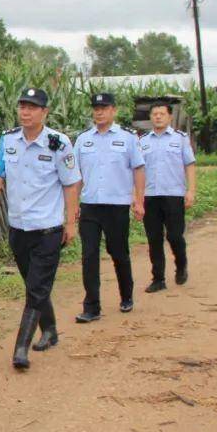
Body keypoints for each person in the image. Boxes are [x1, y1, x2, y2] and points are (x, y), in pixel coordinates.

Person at [0, 88, 80, 370]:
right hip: (18, 229)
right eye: (22, 106)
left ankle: (20, 348)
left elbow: (71, 184)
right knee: (35, 285)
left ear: (44, 112)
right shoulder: (8, 140)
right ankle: (51, 329)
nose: (25, 111)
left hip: (48, 230)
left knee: (36, 288)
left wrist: (70, 222)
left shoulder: (58, 143)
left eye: (32, 107)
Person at [74, 92, 145, 322]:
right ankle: (91, 306)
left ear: (113, 110)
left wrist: (139, 199)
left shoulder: (127, 138)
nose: (99, 112)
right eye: (96, 108)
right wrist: (73, 205)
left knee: (118, 252)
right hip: (90, 206)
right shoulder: (83, 139)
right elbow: (75, 176)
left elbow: (138, 169)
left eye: (104, 108)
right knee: (89, 255)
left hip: (116, 205)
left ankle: (126, 294)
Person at [139, 102, 196, 292]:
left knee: (174, 235)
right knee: (153, 238)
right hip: (150, 195)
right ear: (150, 117)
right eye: (154, 114)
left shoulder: (180, 139)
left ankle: (181, 266)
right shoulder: (143, 141)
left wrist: (191, 190)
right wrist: (136, 196)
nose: (158, 117)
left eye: (162, 114)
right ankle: (158, 278)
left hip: (173, 194)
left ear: (169, 117)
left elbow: (189, 165)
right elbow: (137, 170)